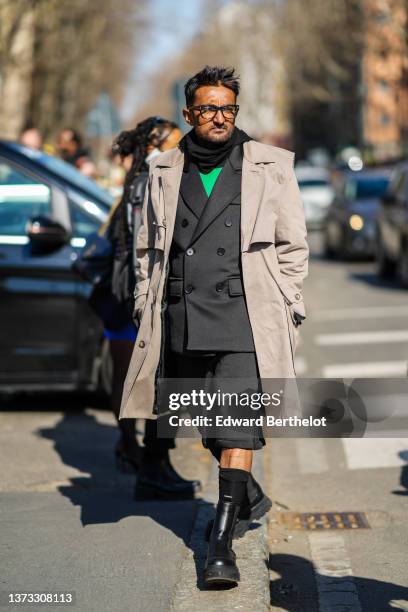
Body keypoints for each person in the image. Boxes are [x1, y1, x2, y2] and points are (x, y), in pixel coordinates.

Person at [120, 66, 308, 585]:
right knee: (205, 423)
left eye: (228, 109)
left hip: (245, 317)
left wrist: (288, 300)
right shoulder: (163, 168)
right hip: (180, 315)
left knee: (237, 424)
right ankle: (247, 494)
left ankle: (219, 544)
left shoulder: (270, 164)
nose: (220, 117)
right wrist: (144, 300)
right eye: (209, 109)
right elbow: (147, 250)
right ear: (189, 114)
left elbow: (293, 243)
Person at [106, 116, 200, 500]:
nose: (178, 151)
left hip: (131, 294)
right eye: (172, 144)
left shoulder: (140, 181)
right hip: (143, 297)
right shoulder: (150, 181)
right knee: (165, 385)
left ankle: (152, 461)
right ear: (151, 147)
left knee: (156, 383)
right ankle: (152, 468)